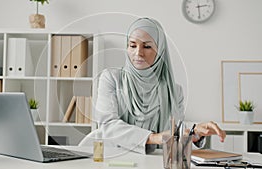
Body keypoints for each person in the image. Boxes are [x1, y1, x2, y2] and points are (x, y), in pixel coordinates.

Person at [80, 17, 226, 154]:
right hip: (107, 155)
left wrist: (194, 133)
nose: (138, 53)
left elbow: (174, 133)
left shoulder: (174, 91)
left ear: (160, 50)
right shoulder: (111, 78)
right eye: (132, 45)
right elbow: (108, 125)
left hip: (150, 160)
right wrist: (155, 138)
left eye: (147, 46)